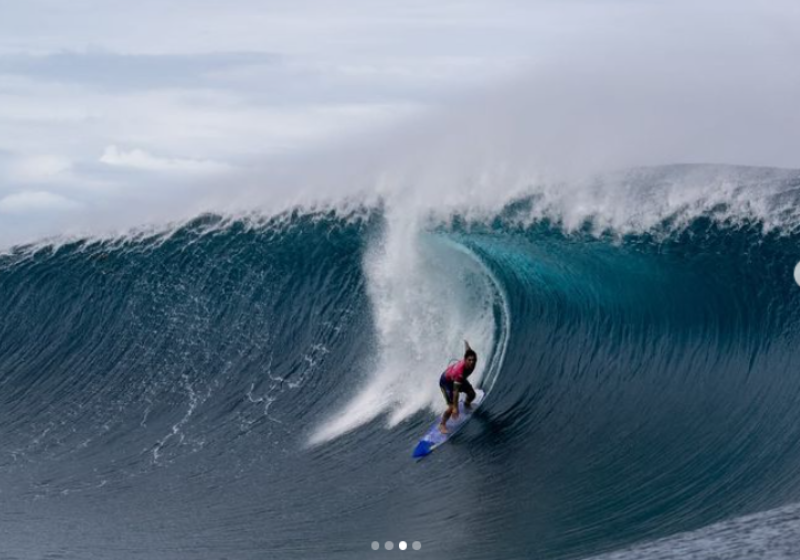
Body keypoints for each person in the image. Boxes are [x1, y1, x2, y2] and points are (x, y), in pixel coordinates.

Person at [438, 341, 478, 434]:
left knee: (472, 394)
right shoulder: (460, 372)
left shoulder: (470, 358)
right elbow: (456, 391)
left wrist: (466, 343)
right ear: (465, 359)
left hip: (456, 379)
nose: (472, 362)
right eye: (469, 360)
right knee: (451, 407)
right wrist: (455, 408)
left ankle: (466, 404)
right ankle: (442, 424)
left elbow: (468, 350)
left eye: (473, 360)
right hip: (446, 382)